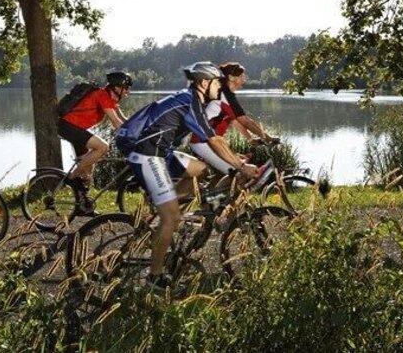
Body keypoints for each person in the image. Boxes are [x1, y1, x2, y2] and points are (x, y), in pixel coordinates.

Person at [116, 62, 258, 291]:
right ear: (204, 82)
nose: (219, 86)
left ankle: (169, 206)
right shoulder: (190, 101)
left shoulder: (191, 99)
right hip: (148, 156)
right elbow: (213, 141)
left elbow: (214, 139)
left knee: (201, 170)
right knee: (170, 219)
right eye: (216, 82)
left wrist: (235, 159)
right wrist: (240, 167)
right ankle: (154, 277)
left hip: (162, 152)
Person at [57, 71, 132, 215]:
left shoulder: (111, 99)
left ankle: (82, 206)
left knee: (88, 171)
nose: (129, 90)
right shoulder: (102, 95)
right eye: (127, 87)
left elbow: (123, 120)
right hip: (69, 127)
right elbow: (116, 122)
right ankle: (70, 178)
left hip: (75, 129)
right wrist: (130, 137)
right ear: (118, 87)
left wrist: (140, 130)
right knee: (103, 147)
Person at [189, 61, 276, 177]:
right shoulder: (224, 95)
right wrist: (267, 138)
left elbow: (235, 121)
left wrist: (251, 139)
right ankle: (218, 195)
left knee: (236, 167)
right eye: (241, 76)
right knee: (239, 172)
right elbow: (245, 121)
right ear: (230, 77)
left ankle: (216, 194)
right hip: (203, 142)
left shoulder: (225, 94)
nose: (244, 80)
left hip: (210, 141)